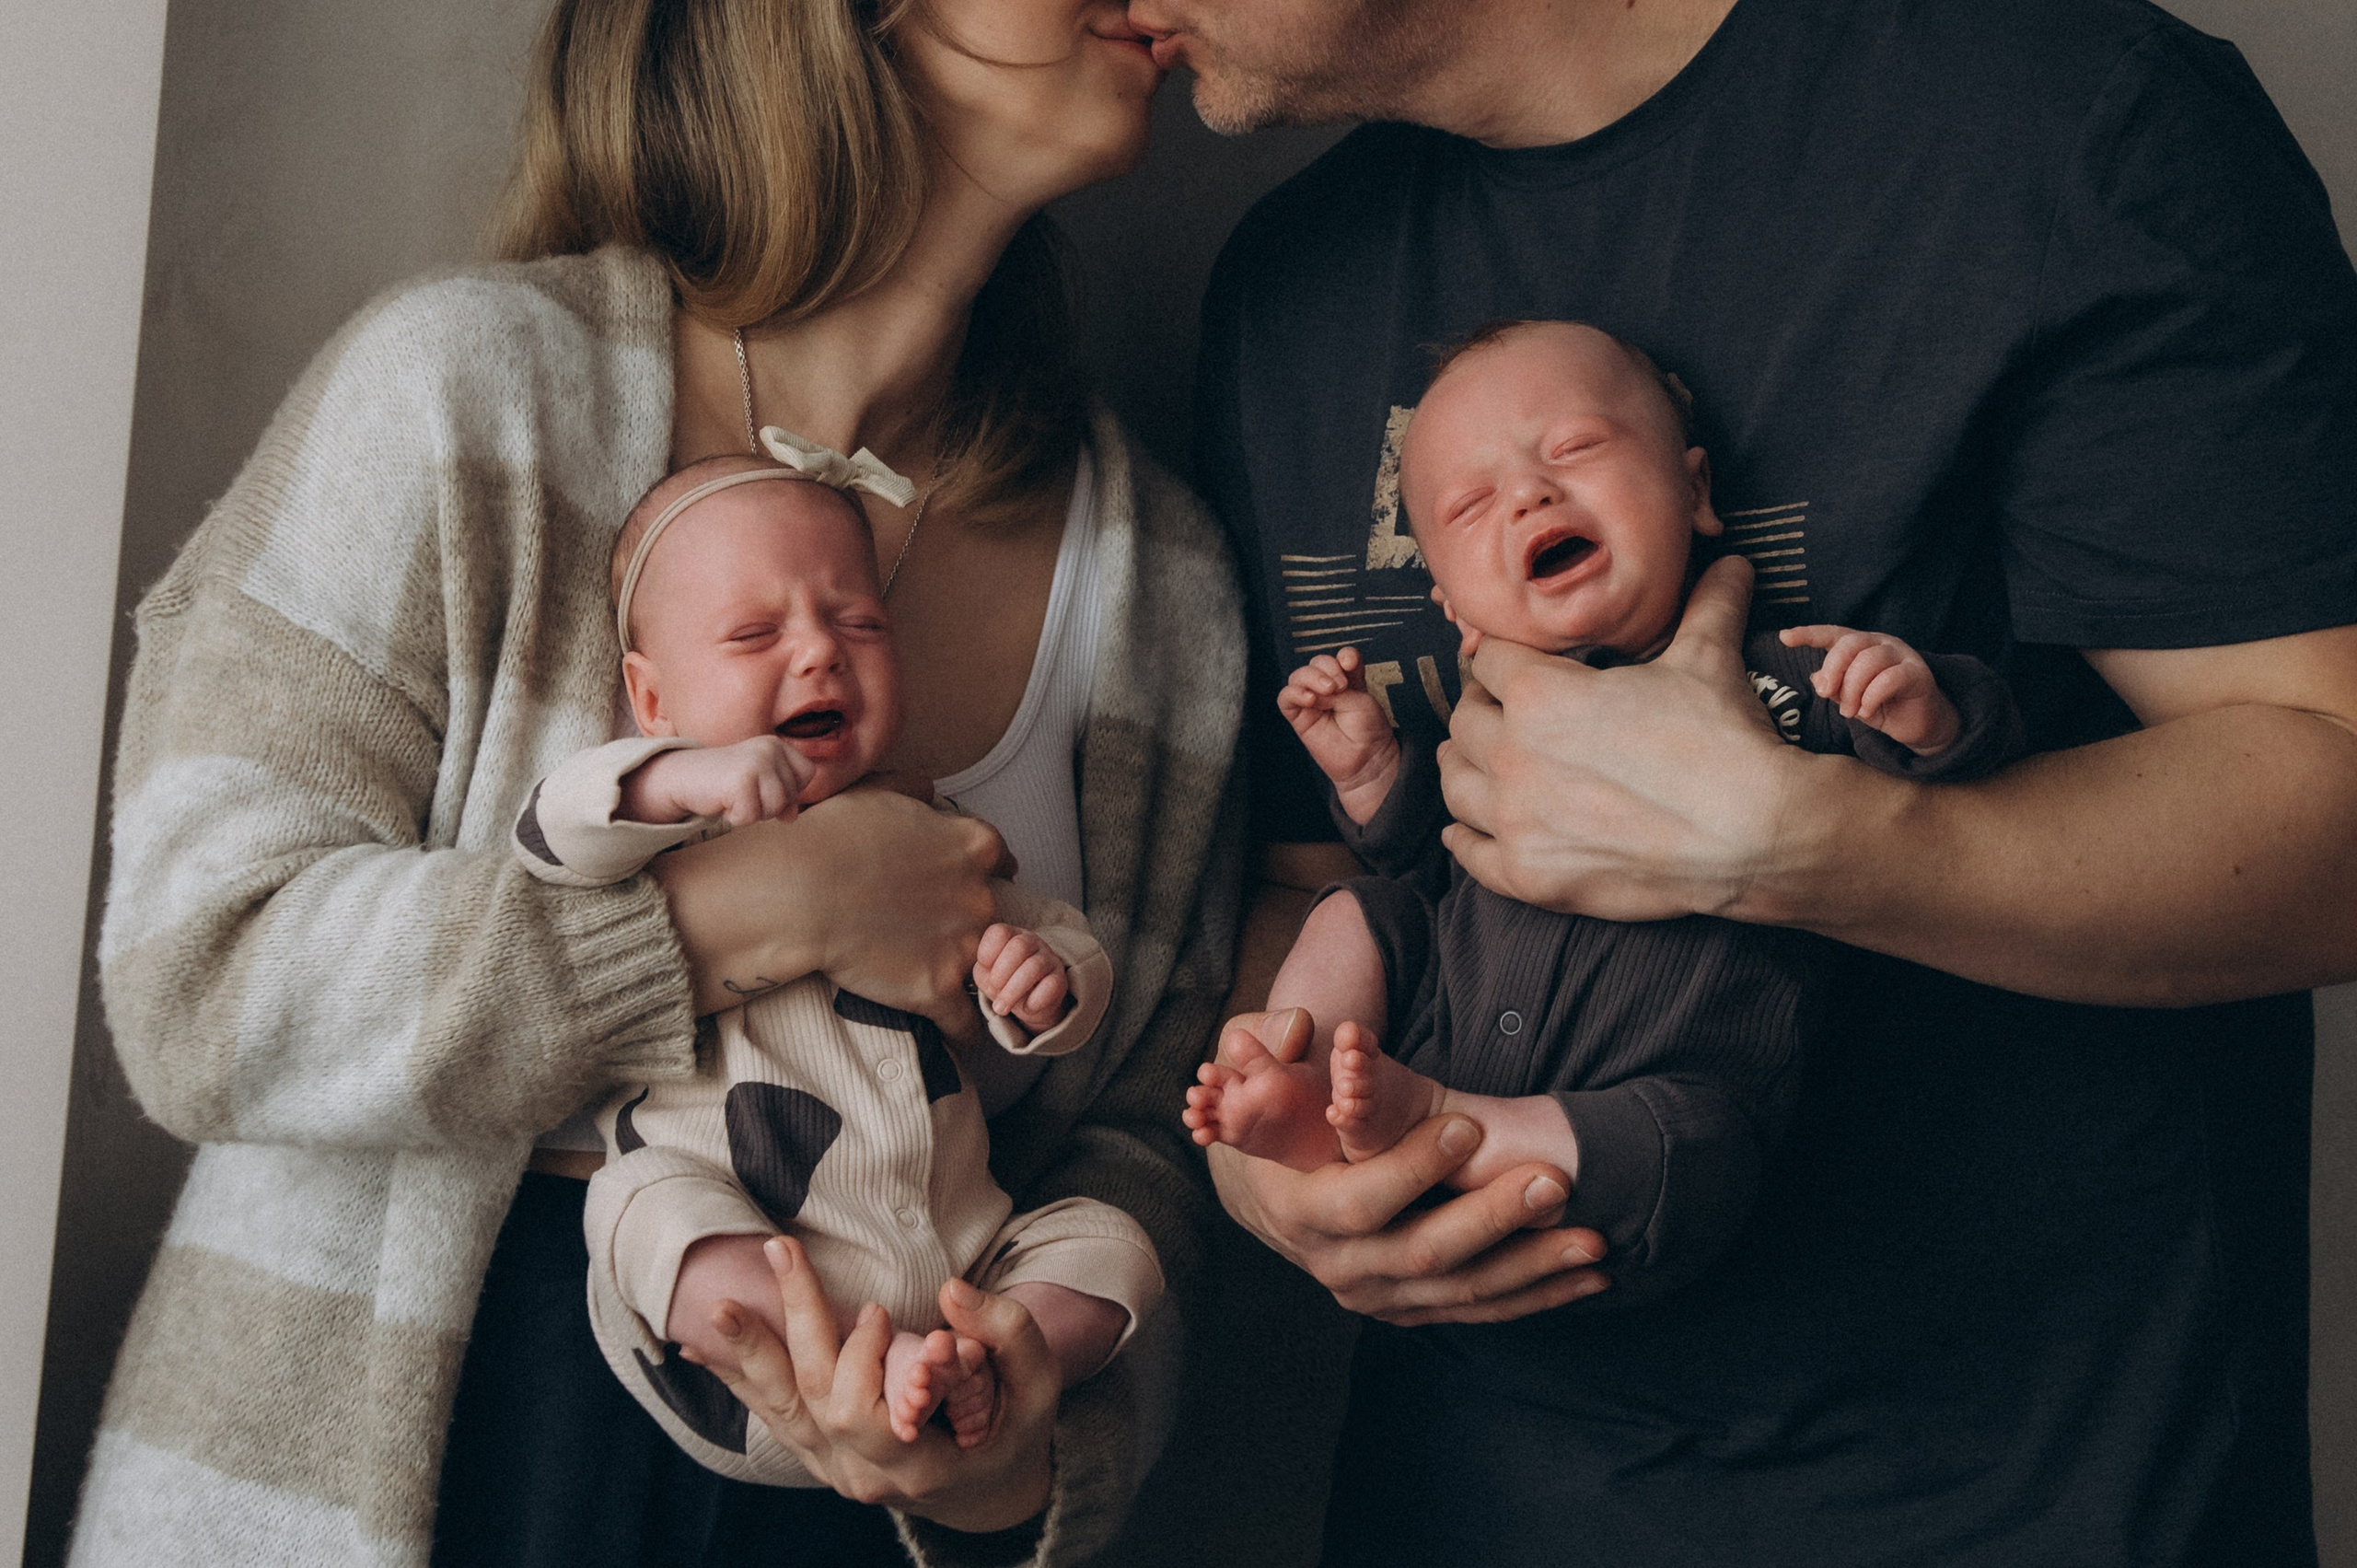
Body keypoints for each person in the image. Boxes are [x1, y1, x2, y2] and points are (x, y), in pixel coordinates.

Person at [1139, 0, 2357, 1562]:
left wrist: (1799, 839)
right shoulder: (1288, 290)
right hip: (1477, 1502)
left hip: (2030, 1500)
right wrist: (1267, 1178)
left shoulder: (2063, 126)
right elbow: (1319, 881)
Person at [77, 1, 1243, 1565]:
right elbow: (198, 976)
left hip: (863, 1490)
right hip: (425, 1463)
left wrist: (1007, 1466)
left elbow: (1159, 1143)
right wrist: (742, 912)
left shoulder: (1164, 587)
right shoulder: (465, 396)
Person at [1185, 322, 2020, 1307]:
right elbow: (1416, 865)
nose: (1531, 493)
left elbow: (1965, 761)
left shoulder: (1775, 682)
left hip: (1632, 1119)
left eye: (1575, 449)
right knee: (1350, 911)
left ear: (1696, 490)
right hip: (1438, 1029)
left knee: (1693, 1147)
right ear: (1451, 603)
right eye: (1470, 503)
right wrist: (1372, 771)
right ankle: (1302, 1061)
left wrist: (1918, 706)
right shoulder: (1470, 728)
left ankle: (1445, 1121)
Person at [517, 450, 1163, 1475]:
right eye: (754, 633)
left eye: (859, 622)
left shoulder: (933, 832)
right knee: (633, 1205)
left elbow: (1059, 937)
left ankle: (992, 1359)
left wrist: (1041, 978)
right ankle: (878, 1361)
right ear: (651, 695)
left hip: (959, 1269)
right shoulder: (669, 832)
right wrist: (684, 776)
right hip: (762, 1341)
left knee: (1114, 1246)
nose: (820, 651)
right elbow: (549, 832)